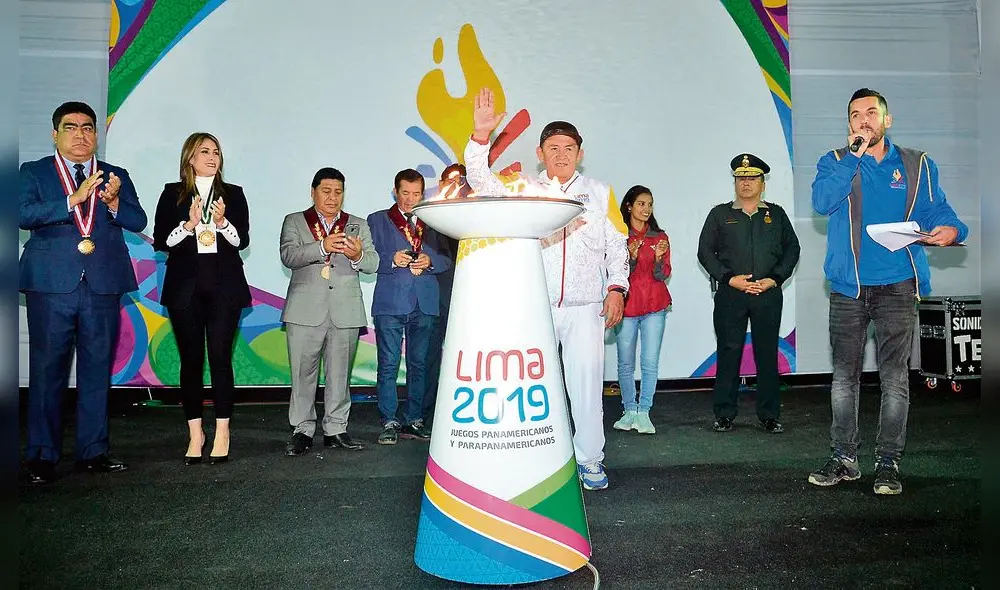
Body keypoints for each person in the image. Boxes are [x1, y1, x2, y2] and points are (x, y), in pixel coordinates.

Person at [464, 88, 629, 491]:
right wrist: (480, 138)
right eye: (552, 148)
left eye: (568, 147)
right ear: (540, 153)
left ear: (580, 152)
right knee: (533, 388)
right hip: (534, 308)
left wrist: (616, 288)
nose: (560, 155)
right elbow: (482, 183)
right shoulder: (524, 188)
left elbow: (617, 244)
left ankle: (590, 461)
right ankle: (535, 462)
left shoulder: (600, 193)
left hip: (585, 307)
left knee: (586, 387)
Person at [808, 88, 968, 495]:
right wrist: (854, 157)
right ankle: (844, 458)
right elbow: (823, 202)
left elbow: (939, 211)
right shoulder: (835, 162)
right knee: (844, 378)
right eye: (856, 115)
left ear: (887, 119)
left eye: (872, 113)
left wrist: (953, 230)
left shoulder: (917, 164)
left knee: (895, 378)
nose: (864, 120)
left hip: (898, 285)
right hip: (849, 287)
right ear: (849, 125)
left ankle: (887, 463)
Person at [19, 101, 147, 484]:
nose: (80, 134)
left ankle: (94, 451)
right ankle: (42, 455)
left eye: (88, 127)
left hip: (102, 284)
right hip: (51, 285)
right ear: (55, 133)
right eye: (71, 127)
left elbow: (138, 220)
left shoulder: (114, 175)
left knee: (96, 371)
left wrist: (113, 203)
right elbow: (21, 214)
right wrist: (71, 201)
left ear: (96, 134)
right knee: (47, 371)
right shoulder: (35, 171)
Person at [152, 132, 251, 465]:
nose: (212, 157)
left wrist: (222, 223)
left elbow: (241, 241)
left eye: (216, 152)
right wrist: (189, 224)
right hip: (185, 289)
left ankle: (223, 431)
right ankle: (196, 433)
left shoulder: (233, 194)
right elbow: (162, 242)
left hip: (225, 287)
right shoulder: (171, 194)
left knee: (221, 359)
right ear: (189, 158)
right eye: (204, 151)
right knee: (191, 362)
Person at [697, 153, 800, 435]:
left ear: (762, 183)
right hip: (732, 295)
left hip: (767, 294)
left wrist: (775, 279)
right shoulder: (720, 214)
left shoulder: (776, 214)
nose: (746, 182)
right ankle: (724, 414)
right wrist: (730, 279)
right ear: (734, 181)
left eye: (752, 177)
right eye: (741, 177)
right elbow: (705, 252)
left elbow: (793, 250)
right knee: (729, 352)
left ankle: (769, 415)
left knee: (767, 354)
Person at [280, 167, 378, 456]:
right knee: (302, 374)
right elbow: (289, 256)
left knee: (340, 374)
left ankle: (336, 428)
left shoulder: (357, 225)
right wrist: (321, 246)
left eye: (338, 192)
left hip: (345, 309)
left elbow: (373, 262)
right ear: (313, 192)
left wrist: (357, 255)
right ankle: (302, 429)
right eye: (326, 191)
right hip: (304, 309)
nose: (333, 197)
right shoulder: (295, 221)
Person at [367, 169, 452, 445]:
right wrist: (391, 259)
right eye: (405, 193)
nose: (410, 199)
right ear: (395, 192)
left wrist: (430, 261)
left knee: (419, 364)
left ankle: (414, 419)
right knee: (389, 364)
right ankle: (389, 420)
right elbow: (366, 259)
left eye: (416, 194)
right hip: (390, 302)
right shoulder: (377, 220)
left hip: (425, 301)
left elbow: (446, 260)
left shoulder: (433, 220)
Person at [612, 185, 672, 435]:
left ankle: (644, 412)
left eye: (650, 204)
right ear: (629, 206)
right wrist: (632, 257)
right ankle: (629, 410)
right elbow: (615, 275)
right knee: (625, 363)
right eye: (641, 204)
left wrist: (659, 258)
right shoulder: (617, 235)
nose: (646, 209)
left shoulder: (659, 237)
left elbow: (663, 274)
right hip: (626, 307)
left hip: (655, 307)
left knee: (649, 362)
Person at [422, 163, 466, 424]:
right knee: (430, 359)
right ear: (440, 184)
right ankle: (426, 413)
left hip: (471, 303)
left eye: (460, 181)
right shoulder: (432, 215)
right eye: (449, 180)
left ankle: (458, 409)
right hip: (436, 301)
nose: (455, 185)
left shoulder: (478, 216)